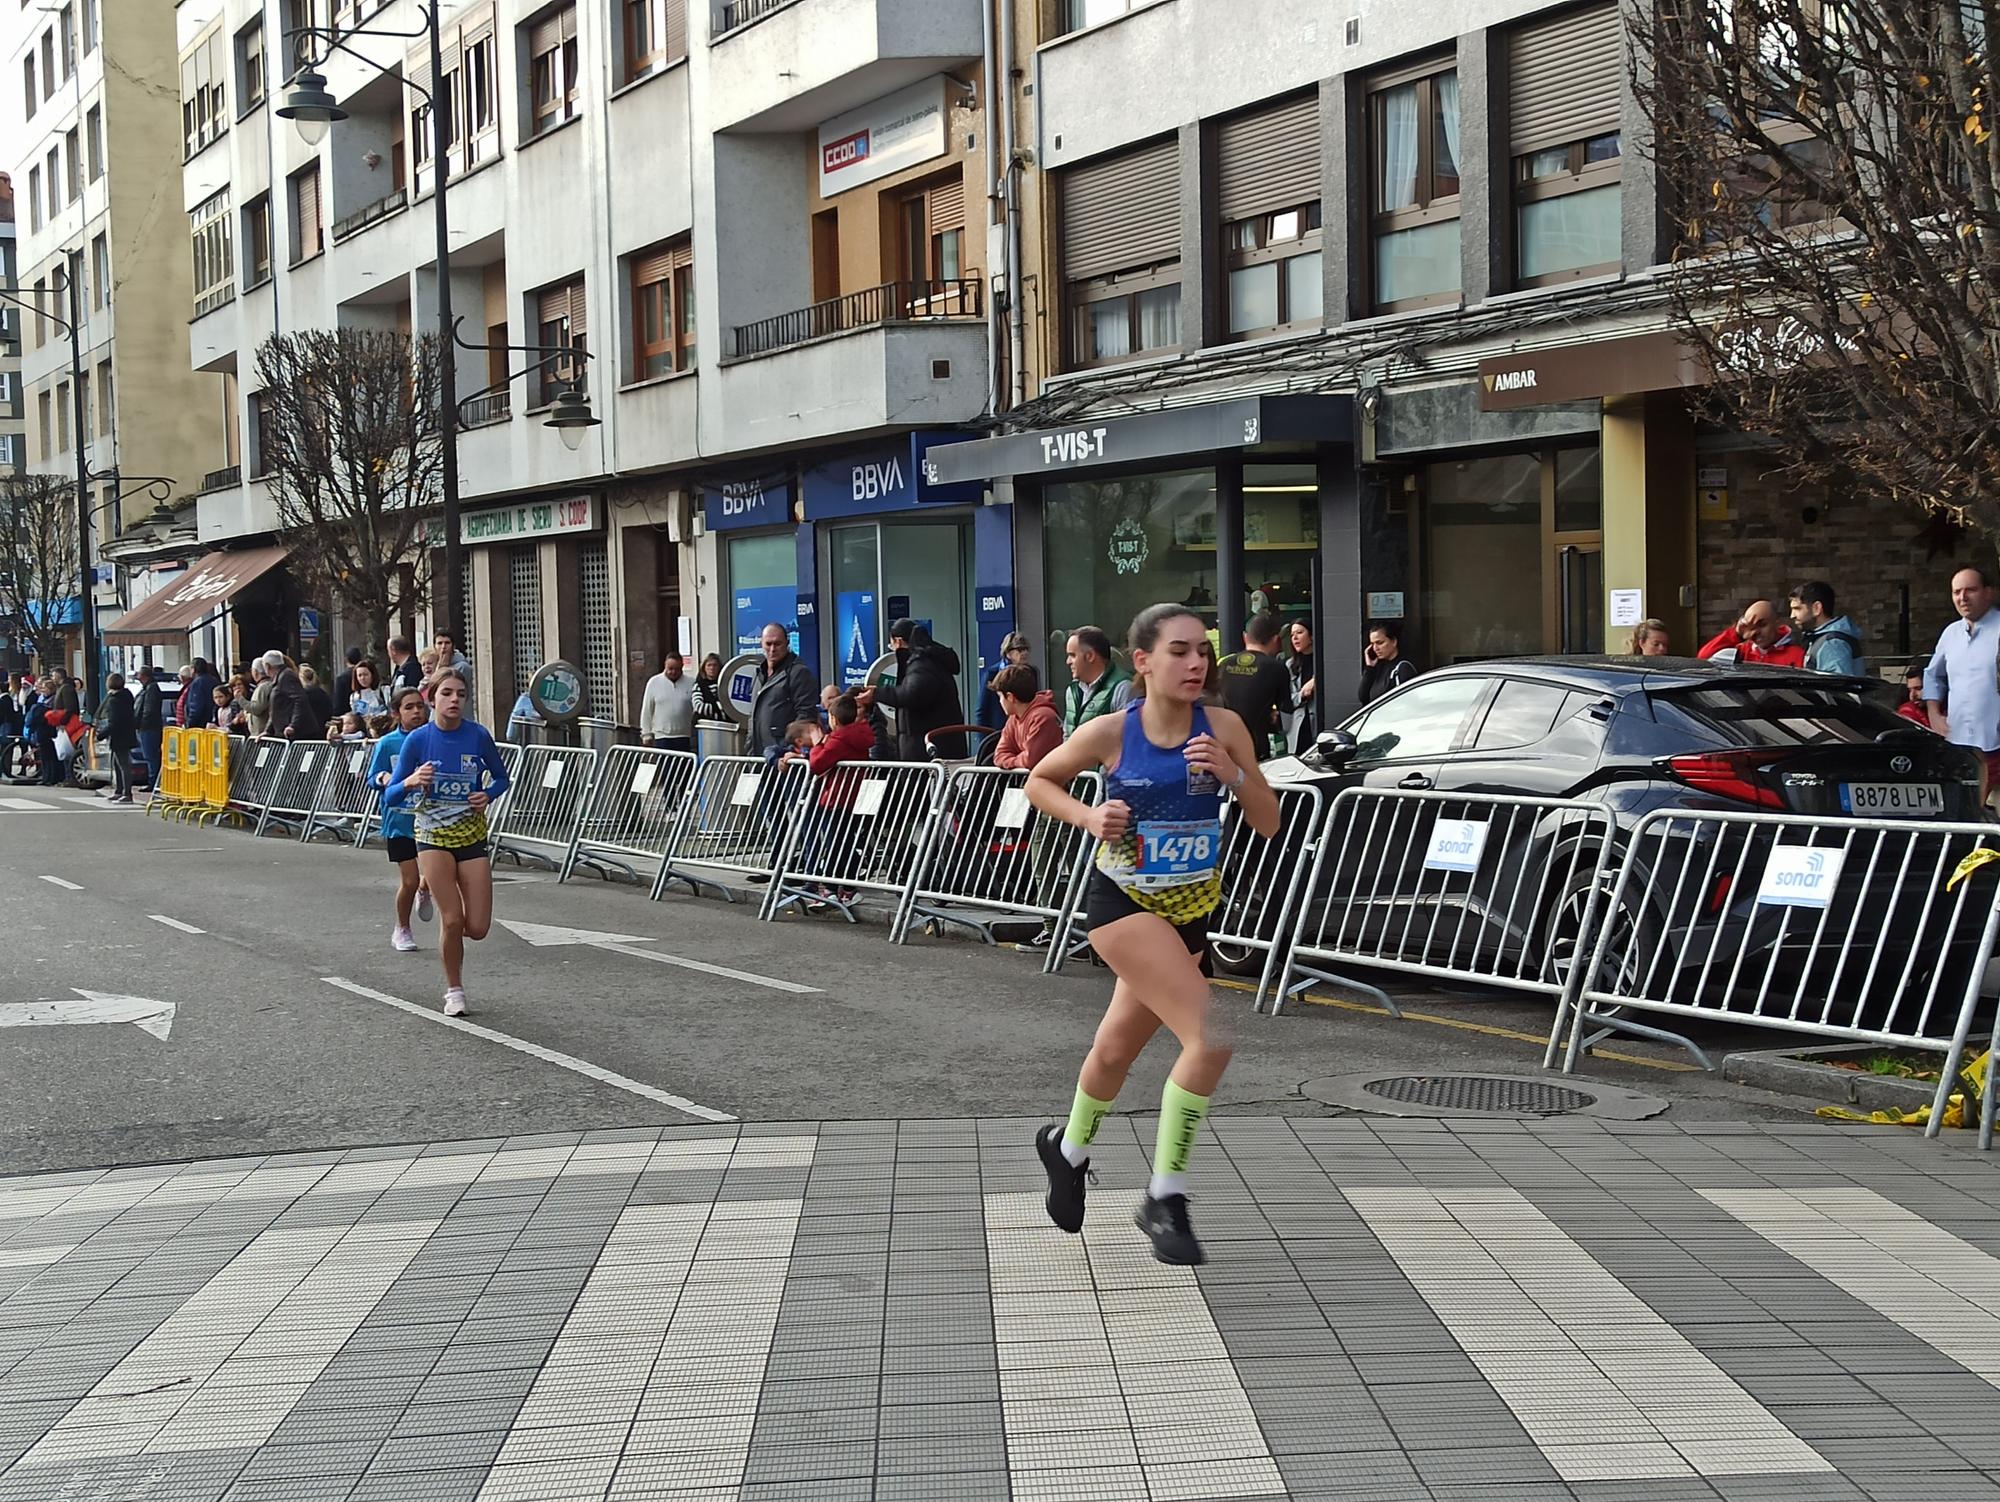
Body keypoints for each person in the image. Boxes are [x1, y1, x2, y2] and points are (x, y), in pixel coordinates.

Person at [1025, 603, 1279, 1266]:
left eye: (1203, 652)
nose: (1196, 663)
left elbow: (1269, 821)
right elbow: (1038, 781)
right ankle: (1165, 1194)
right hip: (1123, 906)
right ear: (1143, 661)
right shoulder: (1113, 732)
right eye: (1179, 651)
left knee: (1114, 1051)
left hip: (1191, 913)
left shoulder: (1223, 727)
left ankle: (1068, 1148)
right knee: (1212, 1038)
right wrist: (1089, 815)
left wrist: (1235, 776)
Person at [384, 668, 511, 1016]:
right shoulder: (418, 740)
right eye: (447, 694)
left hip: (471, 835)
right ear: (432, 699)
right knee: (452, 921)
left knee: (478, 928)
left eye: (460, 694)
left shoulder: (478, 736)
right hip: (432, 837)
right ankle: (454, 991)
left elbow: (502, 778)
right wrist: (410, 780)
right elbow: (390, 797)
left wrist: (486, 794)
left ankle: (425, 886)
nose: (454, 700)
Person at [370, 687, 434, 954]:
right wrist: (383, 778)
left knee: (432, 873)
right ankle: (402, 928)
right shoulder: (388, 743)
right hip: (399, 821)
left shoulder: (434, 738)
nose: (416, 712)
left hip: (431, 818)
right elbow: (372, 777)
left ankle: (425, 887)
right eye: (409, 707)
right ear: (397, 713)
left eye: (420, 706)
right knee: (408, 880)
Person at [1923, 566, 2000, 786]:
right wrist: (1934, 713)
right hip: (1958, 741)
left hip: (1994, 742)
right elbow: (1932, 675)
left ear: (1988, 592)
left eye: (1970, 590)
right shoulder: (1951, 633)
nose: (1962, 597)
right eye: (1957, 592)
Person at [859, 618, 964, 761]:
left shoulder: (922, 664)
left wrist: (877, 693)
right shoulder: (931, 661)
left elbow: (912, 694)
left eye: (892, 644)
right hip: (935, 743)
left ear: (899, 641)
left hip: (927, 749)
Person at [1217, 613, 1294, 762]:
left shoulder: (1224, 664)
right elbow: (1287, 723)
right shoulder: (1277, 668)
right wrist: (1273, 718)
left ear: (1245, 637)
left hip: (1223, 745)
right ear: (1276, 640)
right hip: (1255, 748)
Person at [749, 623, 820, 762]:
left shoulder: (798, 672)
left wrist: (787, 752)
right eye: (768, 644)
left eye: (778, 644)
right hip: (760, 756)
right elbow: (753, 717)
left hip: (784, 759)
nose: (772, 649)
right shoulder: (759, 673)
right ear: (761, 643)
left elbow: (806, 716)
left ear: (787, 643)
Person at [1062, 626, 1132, 737]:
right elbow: (1067, 734)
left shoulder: (1122, 688)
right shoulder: (1072, 690)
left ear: (1090, 656)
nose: (1068, 662)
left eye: (1072, 655)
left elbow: (1129, 738)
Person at [1696, 599, 1806, 667]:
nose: (1755, 632)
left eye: (1762, 625)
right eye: (1750, 627)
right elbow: (1704, 657)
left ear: (1777, 623)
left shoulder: (1797, 655)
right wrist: (1737, 633)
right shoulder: (1742, 652)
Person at [993, 664, 1063, 771]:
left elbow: (1030, 760)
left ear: (1010, 697)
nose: (999, 702)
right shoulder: (1013, 718)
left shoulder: (1042, 717)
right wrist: (1018, 760)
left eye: (1000, 697)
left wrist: (1012, 760)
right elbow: (999, 755)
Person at [1788, 581, 1864, 676]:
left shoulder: (1832, 643)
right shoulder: (1826, 639)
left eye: (1797, 608)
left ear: (1817, 608)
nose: (1792, 615)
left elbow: (1836, 686)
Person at [262, 650, 325, 741]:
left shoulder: (286, 676)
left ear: (267, 666)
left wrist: (293, 725)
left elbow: (300, 699)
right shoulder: (280, 677)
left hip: (297, 733)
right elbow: (277, 708)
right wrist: (268, 730)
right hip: (285, 731)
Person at [978, 632, 1033, 736]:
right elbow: (982, 711)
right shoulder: (992, 674)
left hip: (1023, 731)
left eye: (1026, 649)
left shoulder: (1031, 673)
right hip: (997, 733)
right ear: (1008, 652)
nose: (1024, 653)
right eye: (1020, 650)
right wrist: (984, 742)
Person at [640, 651, 696, 753]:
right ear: (665, 666)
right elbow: (647, 710)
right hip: (662, 737)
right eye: (670, 669)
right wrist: (646, 734)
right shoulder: (654, 682)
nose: (673, 672)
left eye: (677, 669)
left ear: (682, 666)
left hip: (684, 736)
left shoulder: (691, 683)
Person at [1359, 621, 1420, 704]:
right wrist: (1369, 668)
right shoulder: (1378, 667)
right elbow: (1364, 697)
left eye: (1380, 643)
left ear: (1394, 641)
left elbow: (1406, 701)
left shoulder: (1402, 667)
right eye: (1372, 644)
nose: (1375, 648)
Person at [100, 673, 137, 804]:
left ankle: (127, 793)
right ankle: (119, 790)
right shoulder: (126, 696)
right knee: (118, 764)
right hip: (126, 733)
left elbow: (114, 722)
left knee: (123, 765)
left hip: (119, 736)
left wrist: (101, 734)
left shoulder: (114, 701)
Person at [1285, 621, 1317, 755]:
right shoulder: (1290, 665)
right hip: (1298, 727)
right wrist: (1302, 694)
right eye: (1292, 635)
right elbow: (1286, 700)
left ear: (1311, 636)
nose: (1295, 638)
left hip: (1317, 724)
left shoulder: (1323, 660)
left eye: (1299, 633)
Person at [694, 653, 730, 723]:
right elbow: (699, 707)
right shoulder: (698, 685)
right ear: (704, 667)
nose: (712, 668)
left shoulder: (726, 684)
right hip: (706, 725)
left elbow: (731, 706)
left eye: (715, 665)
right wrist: (719, 707)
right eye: (709, 665)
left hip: (726, 724)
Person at [184, 658, 220, 729]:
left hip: (199, 725)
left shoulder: (197, 683)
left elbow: (196, 706)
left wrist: (189, 723)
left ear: (193, 669)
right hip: (212, 722)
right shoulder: (214, 680)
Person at [300, 665, 337, 730]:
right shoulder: (322, 693)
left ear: (301, 677)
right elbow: (329, 712)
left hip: (306, 730)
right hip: (321, 729)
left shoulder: (302, 695)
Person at [1897, 661, 1931, 728]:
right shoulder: (1907, 711)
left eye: (1918, 688)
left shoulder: (1947, 708)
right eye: (1910, 690)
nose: (1912, 695)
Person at [332, 645, 366, 713]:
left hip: (348, 715)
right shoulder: (366, 674)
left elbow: (339, 703)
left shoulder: (341, 678)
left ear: (346, 659)